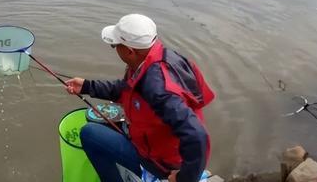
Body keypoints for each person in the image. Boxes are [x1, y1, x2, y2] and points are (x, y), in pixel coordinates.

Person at [64, 14, 215, 182]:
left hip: (160, 164)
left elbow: (197, 136)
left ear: (130, 51)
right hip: (157, 142)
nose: (115, 49)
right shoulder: (155, 58)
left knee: (89, 134)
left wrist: (184, 178)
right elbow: (125, 89)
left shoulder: (158, 89)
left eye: (115, 46)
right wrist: (86, 86)